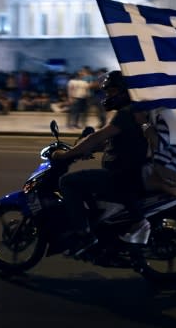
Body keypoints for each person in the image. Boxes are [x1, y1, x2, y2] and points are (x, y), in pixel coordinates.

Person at [51, 71, 150, 255]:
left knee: (68, 182)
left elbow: (100, 135)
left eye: (111, 92)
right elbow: (118, 142)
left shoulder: (126, 114)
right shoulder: (135, 112)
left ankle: (84, 234)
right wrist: (90, 149)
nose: (108, 96)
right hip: (128, 173)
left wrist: (68, 155)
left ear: (123, 92)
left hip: (121, 176)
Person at [141, 106, 176, 199]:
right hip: (174, 172)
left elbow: (159, 144)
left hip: (167, 175)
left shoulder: (168, 114)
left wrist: (143, 123)